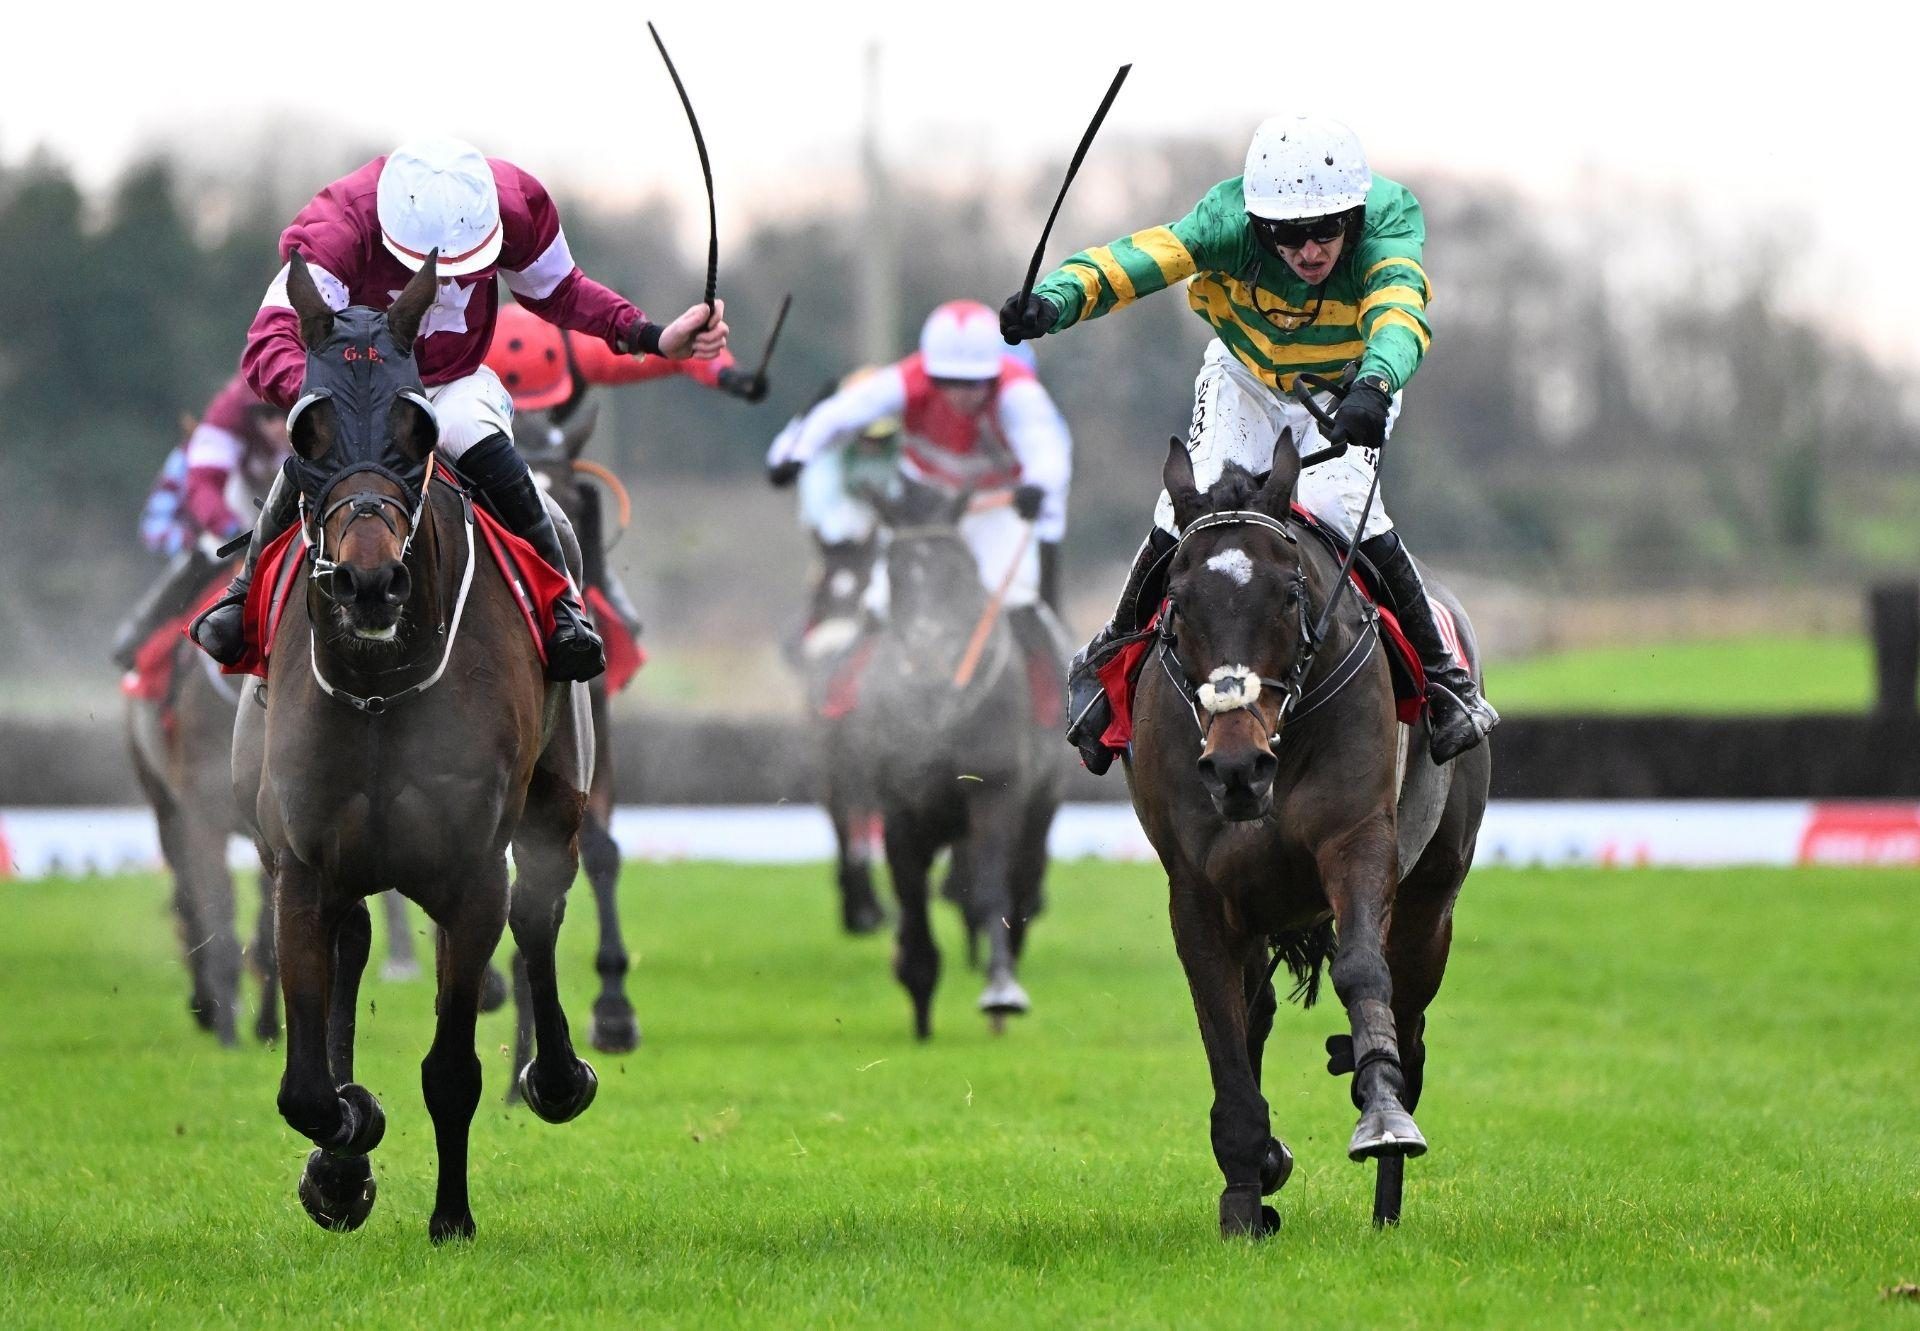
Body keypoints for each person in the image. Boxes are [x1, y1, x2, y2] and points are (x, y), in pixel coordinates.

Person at [999, 113, 1498, 770]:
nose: (1312, 250)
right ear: (1260, 226)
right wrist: (1053, 301)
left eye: (1327, 231)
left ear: (1353, 216)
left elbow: (1400, 309)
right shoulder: (1223, 224)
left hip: (1352, 382)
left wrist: (1376, 383)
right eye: (1290, 236)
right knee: (1185, 507)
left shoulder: (1387, 222)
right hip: (1246, 377)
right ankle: (1108, 661)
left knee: (1343, 506)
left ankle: (1443, 679)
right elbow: (1133, 261)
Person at [190, 134, 728, 682]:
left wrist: (651, 335)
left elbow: (562, 291)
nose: (450, 282)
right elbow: (266, 346)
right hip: (358, 386)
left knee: (471, 428)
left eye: (467, 265)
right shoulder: (342, 225)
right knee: (327, 440)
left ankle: (562, 607)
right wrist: (334, 396)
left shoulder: (515, 206)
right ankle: (243, 595)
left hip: (454, 381)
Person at [764, 301, 1073, 668]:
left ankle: (1054, 710)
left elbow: (1047, 446)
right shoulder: (907, 379)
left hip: (996, 508)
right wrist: (793, 454)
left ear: (994, 373)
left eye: (973, 382)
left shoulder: (1019, 393)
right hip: (924, 504)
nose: (961, 394)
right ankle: (840, 700)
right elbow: (841, 414)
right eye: (948, 381)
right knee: (879, 600)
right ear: (930, 372)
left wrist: (1039, 485)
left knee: (1016, 600)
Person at [111, 373, 289, 669]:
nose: (278, 425)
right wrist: (231, 531)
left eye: (286, 412)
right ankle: (140, 633)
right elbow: (199, 489)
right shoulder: (224, 418)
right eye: (268, 414)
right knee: (209, 550)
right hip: (239, 521)